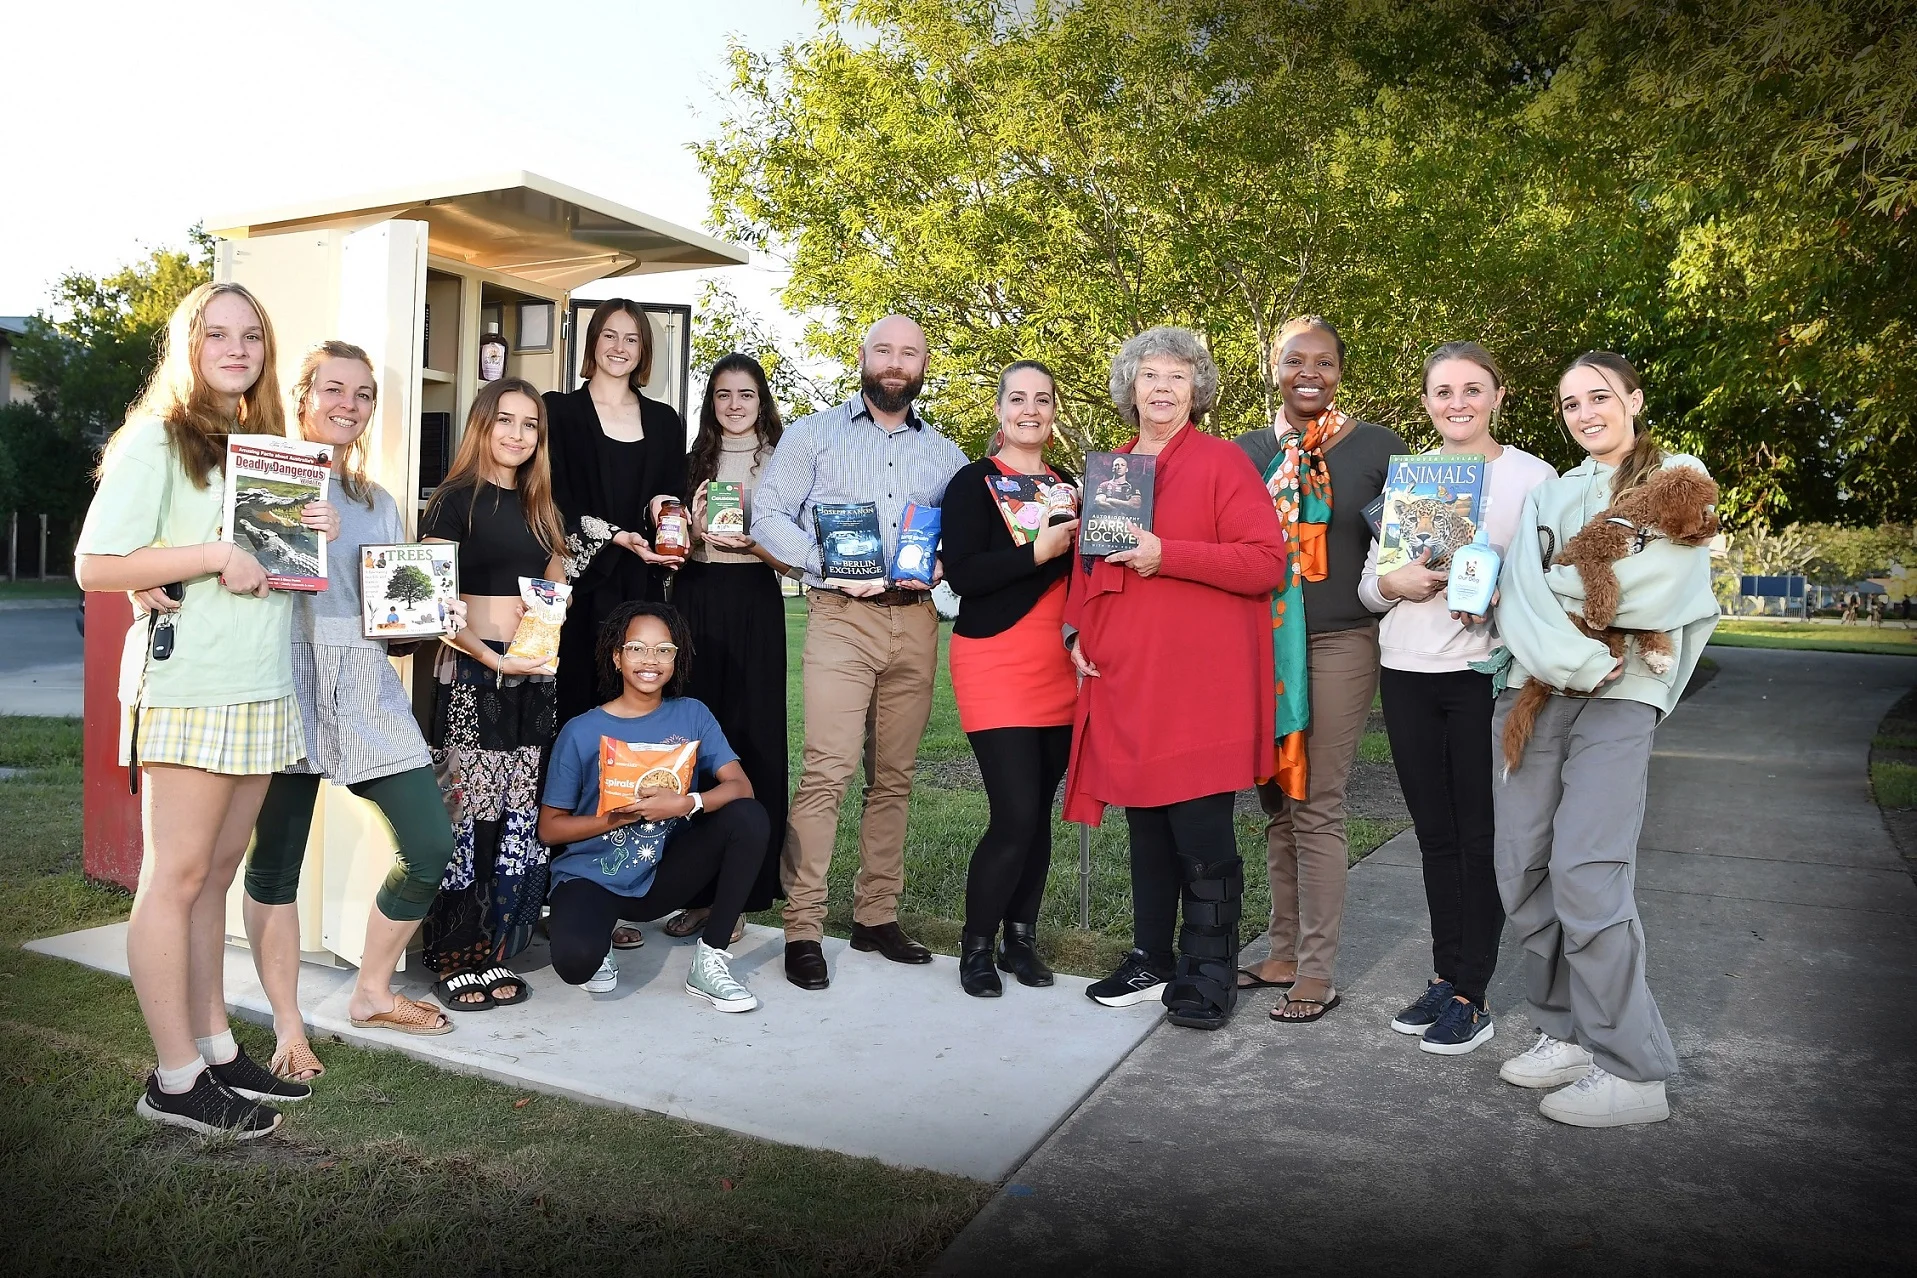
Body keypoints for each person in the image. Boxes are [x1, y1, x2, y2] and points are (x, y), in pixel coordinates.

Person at [74, 282, 316, 1137]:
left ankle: (215, 1050)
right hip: (189, 688)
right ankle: (174, 1079)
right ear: (188, 344)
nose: (236, 347)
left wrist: (299, 533)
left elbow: (269, 563)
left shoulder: (259, 446)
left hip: (257, 683)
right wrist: (218, 553)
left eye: (251, 334)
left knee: (215, 876)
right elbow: (97, 564)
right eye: (217, 333)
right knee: (173, 881)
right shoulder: (154, 440)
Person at [1492, 350, 1718, 1127]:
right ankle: (1567, 1033)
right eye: (1568, 404)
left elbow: (1668, 583)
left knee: (1586, 870)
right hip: (1538, 687)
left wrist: (1555, 601)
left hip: (1625, 693)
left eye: (1598, 397)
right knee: (1520, 866)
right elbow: (1512, 594)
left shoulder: (1677, 475)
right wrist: (1568, 642)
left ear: (1632, 398)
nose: (1585, 413)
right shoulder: (1552, 493)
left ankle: (1633, 1071)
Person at [237, 342, 463, 1083]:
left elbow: (387, 618)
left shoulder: (378, 500)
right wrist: (293, 527)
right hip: (283, 668)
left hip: (362, 677)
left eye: (363, 394)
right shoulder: (258, 475)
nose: (348, 404)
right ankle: (289, 1027)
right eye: (333, 389)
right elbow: (235, 580)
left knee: (429, 842)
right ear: (303, 396)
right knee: (275, 863)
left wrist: (429, 608)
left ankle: (371, 991)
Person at [1066, 327, 1288, 1031]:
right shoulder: (1112, 471)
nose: (1162, 388)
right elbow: (1089, 565)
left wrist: (1168, 554)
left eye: (1177, 377)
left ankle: (1208, 969)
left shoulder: (1225, 464)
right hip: (1127, 673)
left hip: (1200, 680)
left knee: (1199, 829)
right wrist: (1075, 630)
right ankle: (1149, 957)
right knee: (1146, 828)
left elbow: (1263, 564)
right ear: (1129, 386)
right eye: (1150, 375)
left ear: (1197, 390)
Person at [750, 314, 968, 990]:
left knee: (894, 778)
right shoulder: (813, 435)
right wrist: (824, 566)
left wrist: (942, 566)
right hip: (841, 618)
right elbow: (766, 517)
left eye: (909, 353)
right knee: (827, 773)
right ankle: (805, 927)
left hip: (915, 623)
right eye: (884, 350)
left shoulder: (947, 455)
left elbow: (966, 534)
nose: (895, 363)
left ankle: (876, 916)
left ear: (923, 364)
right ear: (862, 357)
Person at [1359, 341, 1556, 1054]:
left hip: (1483, 679)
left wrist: (1502, 598)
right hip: (1405, 670)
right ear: (1425, 403)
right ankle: (1445, 977)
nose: (1457, 402)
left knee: (1479, 839)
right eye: (1442, 391)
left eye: (1472, 389)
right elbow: (1367, 588)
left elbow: (1556, 586)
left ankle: (1472, 994)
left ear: (1498, 396)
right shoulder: (1411, 478)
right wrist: (1393, 585)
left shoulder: (1535, 479)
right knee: (1434, 837)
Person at [1233, 315, 1406, 1024]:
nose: (1310, 373)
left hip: (1338, 642)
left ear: (1340, 371)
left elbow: (1411, 545)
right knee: (1276, 804)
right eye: (1294, 360)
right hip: (1259, 646)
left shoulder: (1375, 446)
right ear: (1272, 367)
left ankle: (1315, 970)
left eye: (1325, 362)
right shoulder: (1242, 453)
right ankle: (1279, 952)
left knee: (1317, 805)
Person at [418, 377, 568, 1008]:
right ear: (482, 424)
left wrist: (540, 645)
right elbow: (425, 596)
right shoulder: (455, 500)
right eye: (505, 420)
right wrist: (488, 657)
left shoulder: (541, 506)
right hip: (474, 673)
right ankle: (458, 950)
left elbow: (555, 584)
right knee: (467, 809)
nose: (516, 434)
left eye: (529, 424)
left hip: (532, 678)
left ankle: (503, 942)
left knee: (516, 812)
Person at [539, 602, 770, 1009]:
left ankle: (710, 960)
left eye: (664, 649)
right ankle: (597, 933)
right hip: (594, 876)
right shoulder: (581, 730)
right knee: (577, 965)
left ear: (677, 656)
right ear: (616, 656)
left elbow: (740, 787)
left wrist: (686, 803)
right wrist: (617, 817)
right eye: (637, 649)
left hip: (664, 876)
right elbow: (550, 828)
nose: (651, 660)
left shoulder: (692, 715)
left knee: (748, 817)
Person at [941, 360, 1081, 997]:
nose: (1031, 409)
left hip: (1063, 665)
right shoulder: (971, 484)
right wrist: (1039, 552)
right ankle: (977, 946)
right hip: (995, 660)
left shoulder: (1075, 488)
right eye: (1019, 399)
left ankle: (1020, 939)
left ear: (1054, 412)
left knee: (1040, 814)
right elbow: (966, 576)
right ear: (999, 410)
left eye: (1043, 400)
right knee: (1015, 812)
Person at [649, 353, 793, 949]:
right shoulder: (691, 464)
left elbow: (796, 558)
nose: (735, 405)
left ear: (763, 401)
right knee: (696, 742)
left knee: (752, 737)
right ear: (711, 402)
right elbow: (670, 549)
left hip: (755, 600)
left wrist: (754, 542)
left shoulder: (787, 461)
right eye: (723, 394)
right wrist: (680, 525)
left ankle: (741, 896)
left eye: (747, 394)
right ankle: (696, 890)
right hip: (697, 599)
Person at [545, 299, 688, 726]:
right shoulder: (558, 411)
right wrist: (612, 535)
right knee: (574, 700)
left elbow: (668, 492)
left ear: (643, 349)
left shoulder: (664, 420)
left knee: (636, 701)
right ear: (593, 343)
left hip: (640, 582)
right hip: (576, 582)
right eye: (609, 335)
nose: (619, 347)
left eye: (631, 338)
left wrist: (665, 512)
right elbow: (553, 496)